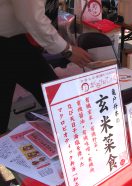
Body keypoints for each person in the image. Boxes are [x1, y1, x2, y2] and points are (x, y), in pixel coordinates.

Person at [0, 0, 92, 134]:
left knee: (54, 97)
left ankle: (75, 136)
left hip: (20, 42)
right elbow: (32, 17)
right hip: (7, 43)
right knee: (55, 97)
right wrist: (67, 50)